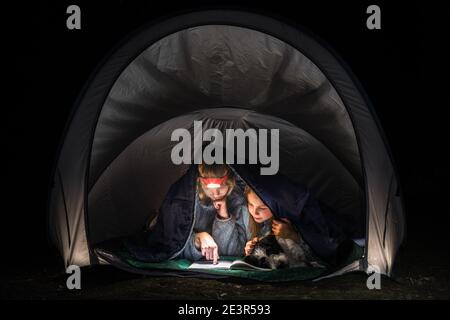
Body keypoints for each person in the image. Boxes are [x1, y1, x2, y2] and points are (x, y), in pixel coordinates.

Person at [237, 168, 354, 267]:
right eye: (251, 204)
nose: (255, 212)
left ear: (275, 205)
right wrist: (251, 251)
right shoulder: (257, 222)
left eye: (263, 208)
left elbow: (319, 259)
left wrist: (293, 236)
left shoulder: (291, 218)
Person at [178, 163, 249, 263]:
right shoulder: (187, 200)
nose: (215, 194)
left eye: (221, 187)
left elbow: (234, 252)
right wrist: (197, 239)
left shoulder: (239, 202)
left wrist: (223, 217)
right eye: (208, 189)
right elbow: (172, 245)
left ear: (230, 182)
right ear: (201, 183)